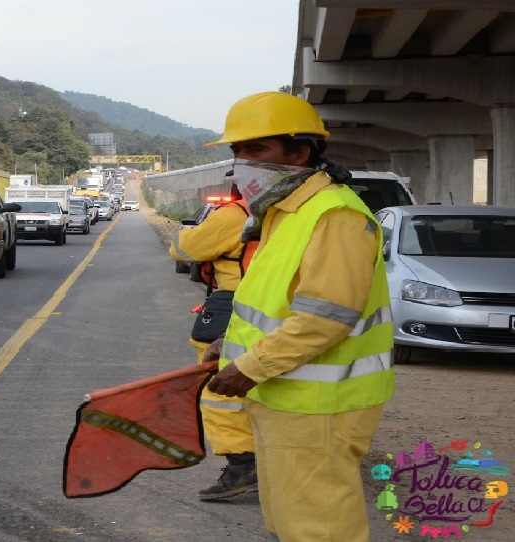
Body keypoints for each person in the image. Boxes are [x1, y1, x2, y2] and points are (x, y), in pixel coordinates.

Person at [204, 91, 393, 542]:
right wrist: (228, 345)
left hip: (320, 406)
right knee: (292, 520)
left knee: (318, 528)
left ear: (300, 152)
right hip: (286, 399)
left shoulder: (335, 217)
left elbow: (326, 317)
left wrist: (248, 367)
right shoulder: (286, 213)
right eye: (237, 152)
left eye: (256, 150)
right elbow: (275, 303)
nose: (242, 163)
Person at [168, 184, 256, 501]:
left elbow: (184, 249)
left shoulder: (237, 214)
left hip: (234, 304)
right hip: (280, 306)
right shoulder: (299, 211)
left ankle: (244, 465)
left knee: (218, 387)